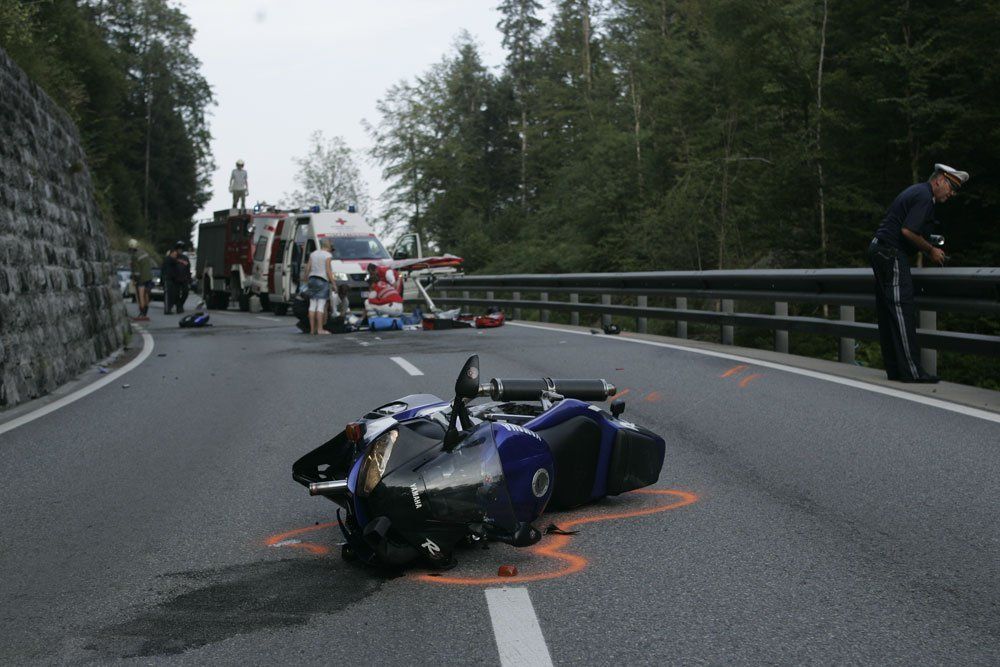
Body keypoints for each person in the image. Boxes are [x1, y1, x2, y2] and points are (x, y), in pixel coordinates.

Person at [868, 163, 969, 383]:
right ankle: (912, 372)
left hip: (879, 249)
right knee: (902, 309)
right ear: (939, 180)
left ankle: (895, 369)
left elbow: (907, 225)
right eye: (951, 187)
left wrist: (927, 240)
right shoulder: (925, 197)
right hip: (891, 252)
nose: (952, 193)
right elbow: (907, 231)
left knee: (887, 311)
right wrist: (931, 250)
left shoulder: (917, 191)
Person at [304, 238, 335, 335]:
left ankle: (312, 330)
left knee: (312, 305)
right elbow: (328, 271)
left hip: (312, 279)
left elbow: (307, 268)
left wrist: (305, 278)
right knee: (320, 306)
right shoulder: (328, 255)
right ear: (328, 245)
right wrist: (333, 283)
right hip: (322, 280)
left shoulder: (313, 254)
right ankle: (320, 329)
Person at [128, 239, 154, 321]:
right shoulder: (144, 253)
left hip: (141, 278)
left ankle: (142, 313)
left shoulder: (134, 256)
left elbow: (137, 271)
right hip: (149, 277)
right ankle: (145, 312)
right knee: (146, 295)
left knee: (140, 295)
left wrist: (133, 278)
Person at [174, 241, 192, 314]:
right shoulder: (173, 257)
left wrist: (189, 279)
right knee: (176, 294)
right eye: (179, 249)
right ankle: (179, 307)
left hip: (184, 278)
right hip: (175, 279)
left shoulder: (185, 258)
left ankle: (180, 304)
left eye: (181, 249)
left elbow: (188, 269)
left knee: (185, 292)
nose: (180, 250)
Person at [161, 247, 179, 314]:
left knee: (171, 295)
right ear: (171, 254)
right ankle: (167, 310)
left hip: (172, 280)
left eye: (176, 255)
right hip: (167, 279)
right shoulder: (168, 260)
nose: (175, 256)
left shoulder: (172, 261)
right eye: (174, 254)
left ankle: (169, 308)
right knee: (168, 295)